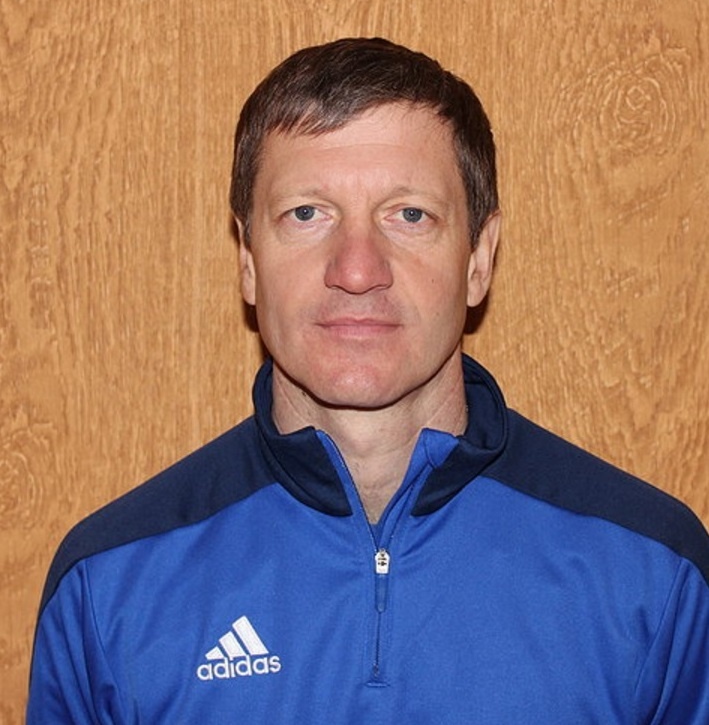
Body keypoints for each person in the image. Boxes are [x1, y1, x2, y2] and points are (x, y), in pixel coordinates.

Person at [27, 37, 709, 723]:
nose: (356, 270)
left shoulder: (653, 573)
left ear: (479, 257)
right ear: (248, 260)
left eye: (409, 215)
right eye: (306, 214)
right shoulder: (110, 585)